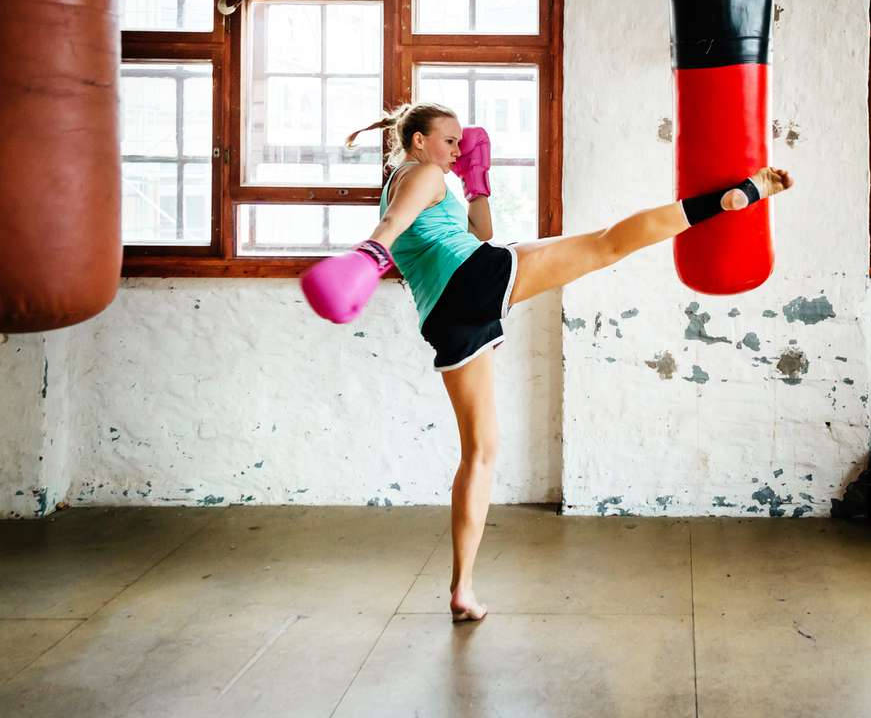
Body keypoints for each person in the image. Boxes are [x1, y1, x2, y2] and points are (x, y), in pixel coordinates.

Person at [302, 102, 792, 623]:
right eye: (449, 141)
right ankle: (731, 198)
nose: (457, 150)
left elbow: (480, 232)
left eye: (460, 143)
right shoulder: (421, 173)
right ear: (418, 140)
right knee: (606, 245)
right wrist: (373, 252)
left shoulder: (424, 177)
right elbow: (396, 221)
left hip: (446, 317)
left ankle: (462, 589)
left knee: (482, 452)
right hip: (471, 280)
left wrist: (477, 183)